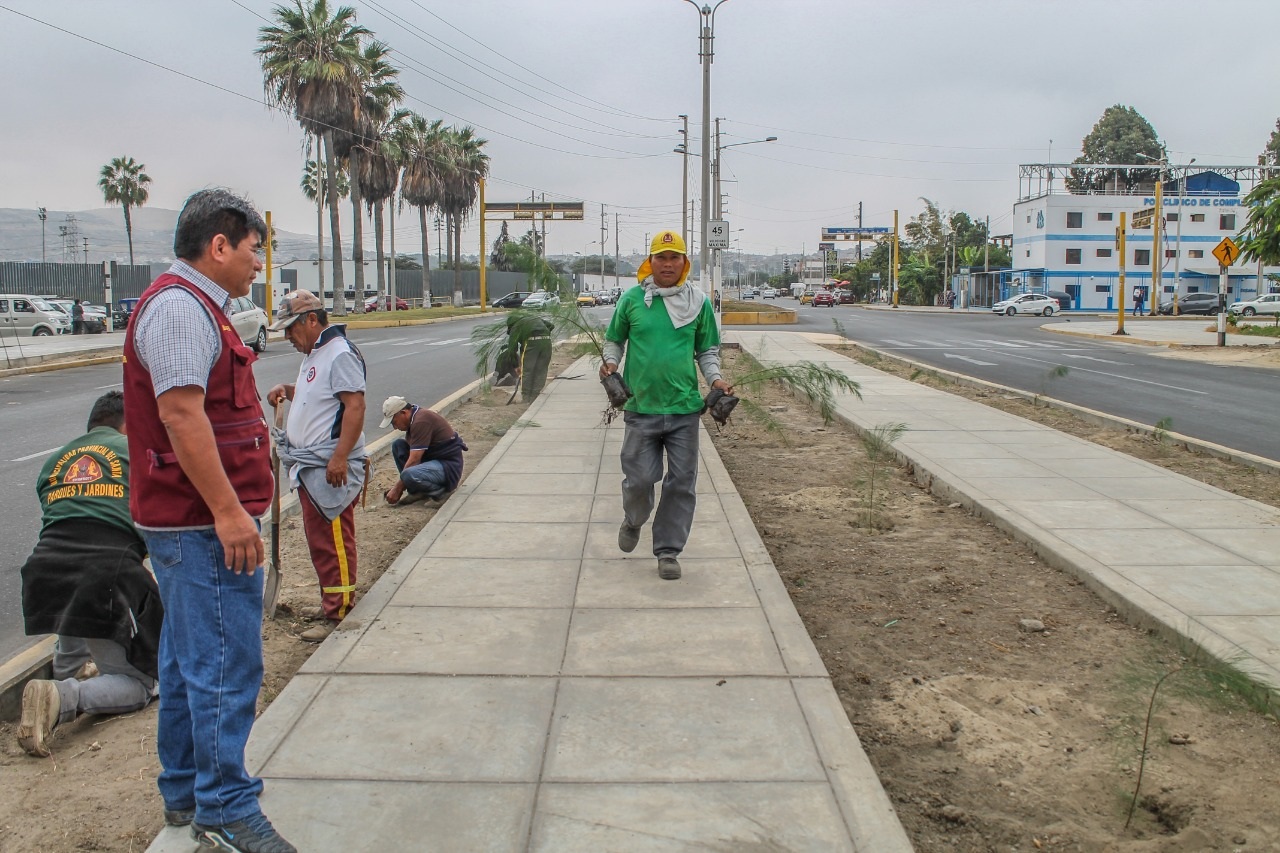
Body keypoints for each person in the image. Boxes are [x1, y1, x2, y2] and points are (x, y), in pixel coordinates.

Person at [121, 189, 295, 853]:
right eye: (254, 250)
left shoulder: (198, 308)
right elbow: (183, 416)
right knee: (226, 661)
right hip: (198, 525)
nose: (259, 264)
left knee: (191, 658)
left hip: (197, 521)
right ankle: (223, 808)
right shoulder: (178, 309)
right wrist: (229, 513)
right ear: (219, 246)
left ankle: (188, 791)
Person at [17, 391, 162, 758]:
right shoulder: (136, 453)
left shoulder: (55, 461)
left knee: (73, 584)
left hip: (44, 569)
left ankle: (63, 676)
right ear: (127, 425)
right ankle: (64, 696)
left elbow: (66, 522)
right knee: (139, 684)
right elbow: (153, 528)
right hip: (105, 573)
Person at [600, 230, 731, 581]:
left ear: (684, 263)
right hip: (641, 408)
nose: (668, 263)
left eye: (675, 257)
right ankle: (634, 519)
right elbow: (614, 341)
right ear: (651, 261)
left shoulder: (698, 302)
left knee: (681, 482)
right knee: (640, 479)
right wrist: (611, 364)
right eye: (662, 257)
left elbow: (707, 351)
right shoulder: (631, 300)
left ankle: (669, 550)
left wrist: (715, 379)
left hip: (684, 410)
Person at [266, 290, 368, 643]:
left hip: (329, 467)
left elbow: (354, 406)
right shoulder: (315, 353)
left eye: (290, 329)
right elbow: (318, 396)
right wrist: (288, 389)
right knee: (320, 538)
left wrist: (339, 457)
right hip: (312, 467)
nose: (287, 338)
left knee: (333, 539)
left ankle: (339, 610)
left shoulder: (338, 353)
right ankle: (332, 601)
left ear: (311, 320)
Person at [381, 396, 467, 506]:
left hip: (448, 468)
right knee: (398, 446)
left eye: (394, 422)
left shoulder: (421, 421)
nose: (395, 427)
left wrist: (397, 489)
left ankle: (441, 494)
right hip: (432, 463)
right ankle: (418, 492)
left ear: (403, 413)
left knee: (407, 473)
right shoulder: (414, 418)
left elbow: (414, 460)